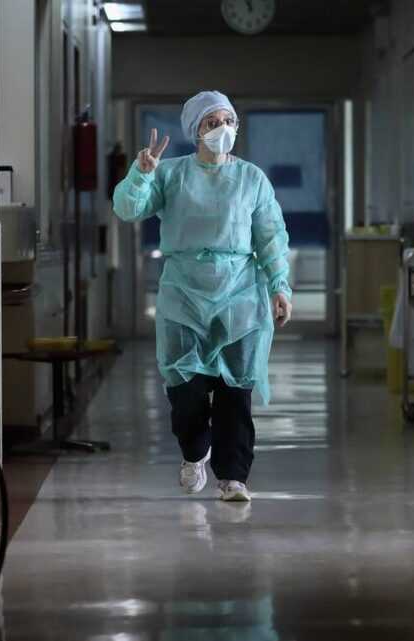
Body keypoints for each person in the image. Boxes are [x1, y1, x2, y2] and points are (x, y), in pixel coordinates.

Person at [112, 91, 292, 502]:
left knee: (235, 390)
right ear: (195, 131)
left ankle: (233, 477)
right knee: (186, 388)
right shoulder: (170, 174)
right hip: (184, 291)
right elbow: (127, 208)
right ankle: (195, 451)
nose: (222, 129)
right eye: (212, 123)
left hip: (239, 292)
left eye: (228, 121)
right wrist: (140, 174)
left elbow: (270, 236)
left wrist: (279, 286)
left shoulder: (251, 179)